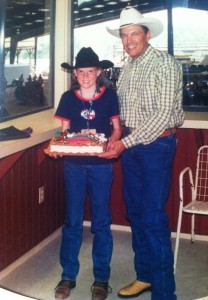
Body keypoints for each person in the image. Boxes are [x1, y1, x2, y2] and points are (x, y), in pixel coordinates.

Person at [99, 6, 185, 300]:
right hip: (133, 146)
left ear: (147, 35)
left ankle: (164, 293)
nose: (129, 40)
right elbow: (121, 113)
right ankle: (145, 276)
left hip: (157, 146)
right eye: (124, 35)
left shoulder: (165, 63)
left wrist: (123, 143)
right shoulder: (129, 67)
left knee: (152, 218)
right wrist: (112, 135)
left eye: (134, 34)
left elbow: (162, 115)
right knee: (135, 213)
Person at [53, 47, 122, 300]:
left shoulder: (109, 97)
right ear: (75, 73)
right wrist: (57, 147)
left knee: (101, 222)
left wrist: (110, 145)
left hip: (101, 166)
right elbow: (63, 133)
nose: (84, 76)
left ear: (98, 72)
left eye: (89, 71)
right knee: (72, 221)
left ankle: (101, 279)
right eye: (80, 72)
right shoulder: (68, 98)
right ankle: (68, 276)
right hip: (73, 166)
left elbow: (116, 130)